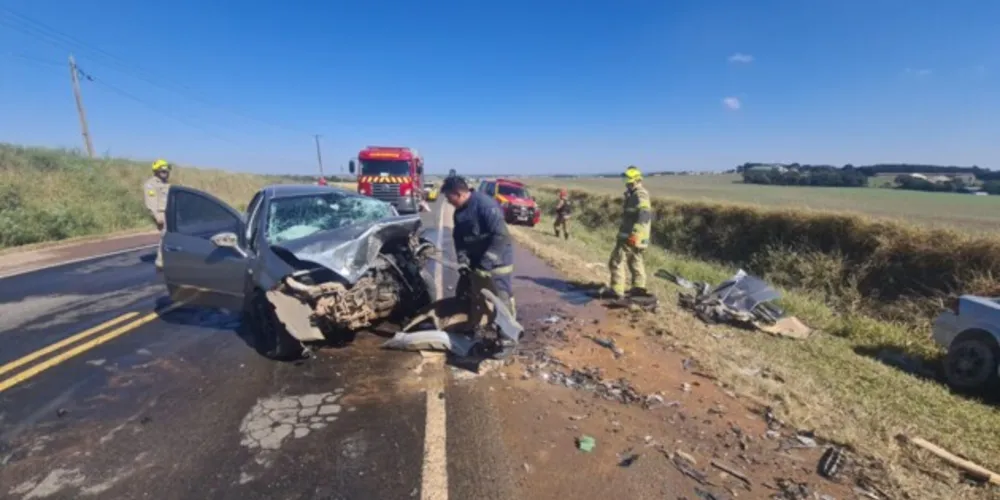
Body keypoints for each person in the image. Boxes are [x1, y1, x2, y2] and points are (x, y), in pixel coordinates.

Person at [440, 175, 517, 320]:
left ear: (459, 193)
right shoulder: (459, 212)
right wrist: (462, 259)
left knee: (501, 296)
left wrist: (485, 264)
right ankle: (470, 324)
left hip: (497, 261)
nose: (448, 201)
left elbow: (500, 236)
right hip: (476, 262)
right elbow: (459, 239)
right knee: (465, 293)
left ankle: (508, 335)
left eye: (449, 197)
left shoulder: (486, 206)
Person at [607, 165, 652, 299]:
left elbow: (644, 213)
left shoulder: (640, 194)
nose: (627, 184)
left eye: (629, 182)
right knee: (635, 261)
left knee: (616, 261)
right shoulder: (633, 194)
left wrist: (635, 234)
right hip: (637, 236)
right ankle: (639, 289)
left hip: (632, 236)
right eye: (626, 182)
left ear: (636, 180)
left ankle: (616, 291)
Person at [144, 159, 172, 271]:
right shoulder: (151, 184)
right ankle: (160, 262)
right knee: (165, 236)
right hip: (161, 214)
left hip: (170, 213)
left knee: (171, 237)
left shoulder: (167, 184)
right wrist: (157, 217)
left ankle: (169, 258)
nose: (165, 172)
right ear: (156, 171)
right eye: (162, 170)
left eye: (166, 170)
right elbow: (151, 202)